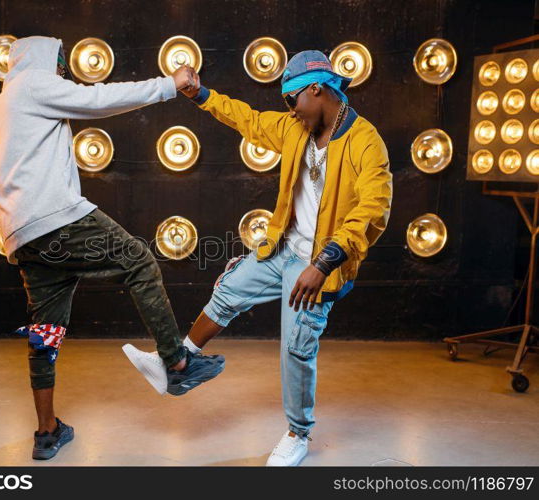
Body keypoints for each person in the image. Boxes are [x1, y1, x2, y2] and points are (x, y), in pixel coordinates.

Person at [124, 50, 393, 466]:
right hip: (282, 249)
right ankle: (177, 365)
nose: (289, 110)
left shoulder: (365, 142)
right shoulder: (295, 128)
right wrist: (200, 95)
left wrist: (322, 265)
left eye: (292, 100)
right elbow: (247, 119)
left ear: (317, 90)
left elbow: (373, 208)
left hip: (318, 266)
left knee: (296, 349)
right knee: (228, 290)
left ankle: (298, 434)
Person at [0, 36, 225, 461]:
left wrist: (15, 235)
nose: (62, 69)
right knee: (139, 261)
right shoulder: (33, 84)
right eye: (59, 61)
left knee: (45, 334)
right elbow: (98, 99)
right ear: (42, 60)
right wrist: (169, 84)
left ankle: (46, 432)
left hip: (23, 237)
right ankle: (176, 364)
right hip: (56, 218)